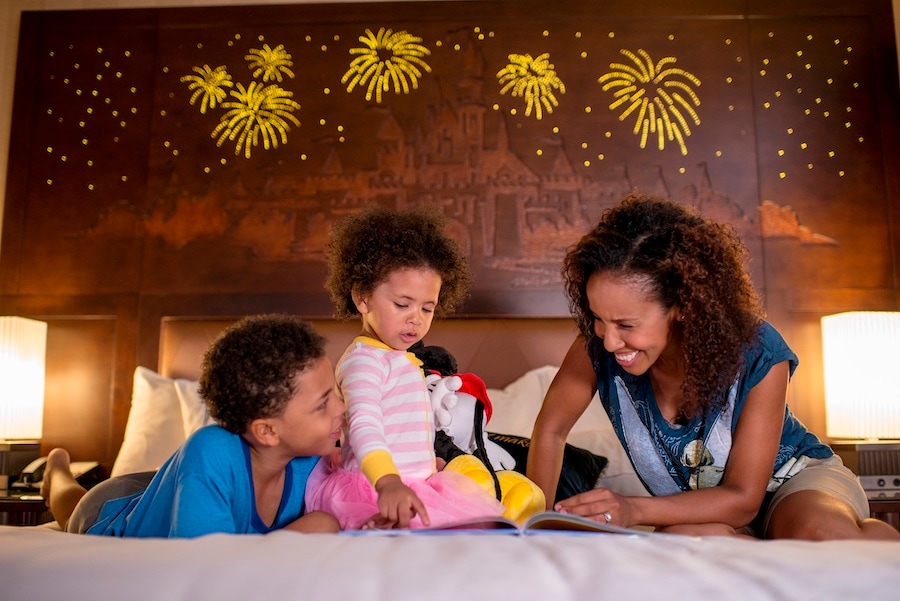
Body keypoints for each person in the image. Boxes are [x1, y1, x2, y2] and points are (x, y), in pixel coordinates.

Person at [527, 194, 900, 540]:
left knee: (819, 536)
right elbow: (551, 431)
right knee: (682, 543)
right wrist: (535, 526)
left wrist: (632, 508)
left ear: (683, 306)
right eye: (597, 318)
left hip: (794, 481)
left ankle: (867, 541)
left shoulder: (758, 350)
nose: (608, 341)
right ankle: (757, 547)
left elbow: (743, 497)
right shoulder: (597, 347)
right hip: (707, 513)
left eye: (626, 325)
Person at [41, 314, 344, 537]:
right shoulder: (211, 448)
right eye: (322, 404)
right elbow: (204, 565)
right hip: (114, 508)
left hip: (175, 484)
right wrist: (317, 525)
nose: (342, 409)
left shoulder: (312, 453)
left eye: (336, 395)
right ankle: (56, 470)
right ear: (267, 431)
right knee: (73, 505)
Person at [305, 205, 505, 530]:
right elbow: (364, 424)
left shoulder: (402, 357)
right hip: (377, 488)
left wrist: (428, 463)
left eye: (428, 308)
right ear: (362, 298)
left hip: (417, 484)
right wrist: (387, 482)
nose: (416, 318)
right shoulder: (363, 360)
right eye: (402, 304)